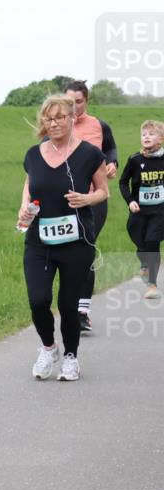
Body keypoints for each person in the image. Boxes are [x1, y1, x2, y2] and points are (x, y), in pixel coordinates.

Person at [18, 94, 109, 381]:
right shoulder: (34, 154)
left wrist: (86, 198)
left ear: (72, 118)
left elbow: (103, 191)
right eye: (48, 117)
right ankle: (48, 348)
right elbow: (30, 186)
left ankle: (71, 356)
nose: (53, 122)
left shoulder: (90, 154)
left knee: (69, 304)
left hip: (76, 242)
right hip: (39, 241)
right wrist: (23, 208)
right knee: (38, 300)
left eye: (59, 117)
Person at [62, 80, 119, 332]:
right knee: (65, 253)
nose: (73, 108)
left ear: (87, 101)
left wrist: (112, 163)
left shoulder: (98, 125)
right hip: (63, 199)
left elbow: (110, 147)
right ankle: (67, 304)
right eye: (69, 102)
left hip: (94, 198)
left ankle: (82, 311)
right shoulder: (56, 124)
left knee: (86, 248)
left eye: (79, 102)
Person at [119, 119, 164, 299]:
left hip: (160, 211)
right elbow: (123, 182)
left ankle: (152, 285)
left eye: (151, 134)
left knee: (153, 242)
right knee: (141, 243)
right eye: (144, 134)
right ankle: (145, 264)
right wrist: (130, 201)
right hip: (138, 211)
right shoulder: (135, 160)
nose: (146, 137)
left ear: (160, 139)